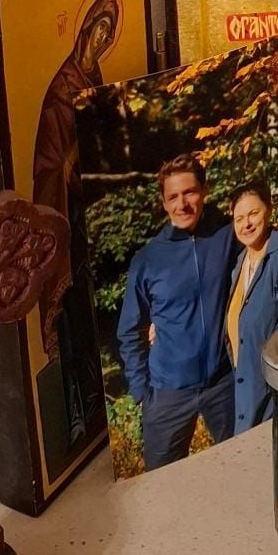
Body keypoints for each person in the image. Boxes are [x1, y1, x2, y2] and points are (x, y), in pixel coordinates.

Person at [32, 0, 124, 445]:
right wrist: (73, 157)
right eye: (100, 30)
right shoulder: (59, 93)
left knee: (92, 313)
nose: (103, 39)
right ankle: (75, 414)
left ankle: (97, 407)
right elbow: (49, 168)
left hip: (89, 217)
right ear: (85, 30)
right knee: (71, 315)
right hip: (65, 223)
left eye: (110, 34)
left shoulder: (93, 79)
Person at [116, 155, 238, 471]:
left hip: (222, 385)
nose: (182, 204)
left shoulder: (227, 236)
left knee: (241, 467)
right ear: (164, 202)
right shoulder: (148, 259)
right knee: (161, 484)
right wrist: (142, 391)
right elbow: (129, 330)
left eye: (189, 192)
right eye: (173, 196)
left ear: (204, 191)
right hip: (167, 394)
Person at [224, 180, 278, 435]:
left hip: (270, 389)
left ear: (268, 211)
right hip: (245, 385)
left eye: (253, 213)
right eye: (239, 218)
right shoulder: (240, 262)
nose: (246, 224)